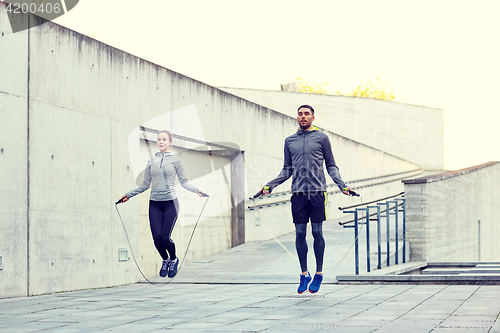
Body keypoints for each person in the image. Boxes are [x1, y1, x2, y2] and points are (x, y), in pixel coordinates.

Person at [259, 105, 354, 294]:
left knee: (317, 233)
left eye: (306, 114)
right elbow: (287, 169)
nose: (303, 117)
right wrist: (270, 185)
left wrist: (341, 185)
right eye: (300, 114)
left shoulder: (322, 138)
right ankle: (304, 274)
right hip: (298, 194)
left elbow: (331, 165)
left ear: (313, 117)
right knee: (300, 233)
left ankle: (318, 273)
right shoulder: (290, 141)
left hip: (318, 192)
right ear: (297, 117)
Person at [119, 130, 205, 278]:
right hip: (155, 204)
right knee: (156, 238)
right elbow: (145, 185)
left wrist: (197, 190)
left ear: (170, 142)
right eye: (159, 139)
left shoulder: (176, 161)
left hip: (171, 203)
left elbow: (184, 182)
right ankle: (165, 260)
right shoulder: (151, 162)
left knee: (165, 237)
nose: (161, 142)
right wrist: (129, 195)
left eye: (164, 139)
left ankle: (173, 259)